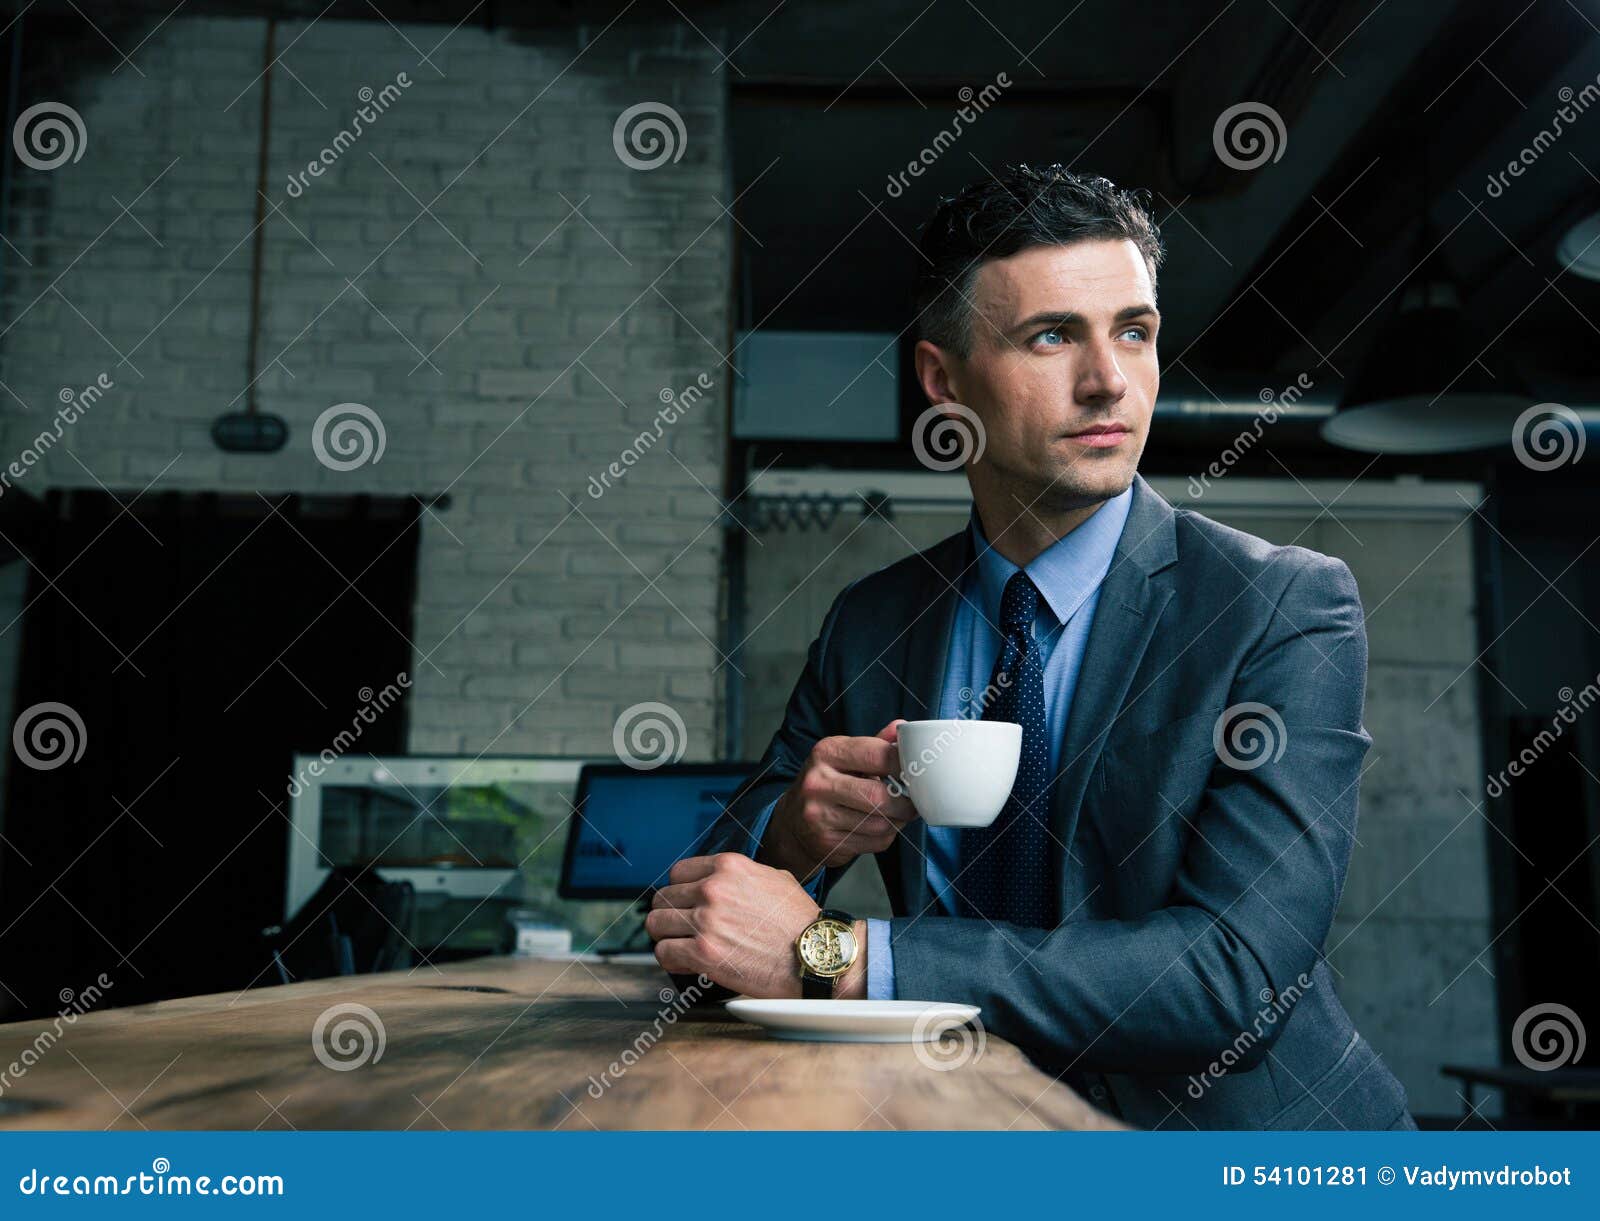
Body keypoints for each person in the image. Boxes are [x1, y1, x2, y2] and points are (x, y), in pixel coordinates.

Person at [648, 164, 1413, 1131]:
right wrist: (797, 840)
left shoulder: (1279, 608)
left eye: (1134, 332)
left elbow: (1235, 975)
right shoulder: (872, 623)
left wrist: (844, 956)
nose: (1109, 381)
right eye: (1052, 336)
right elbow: (695, 925)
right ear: (943, 379)